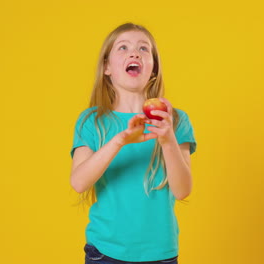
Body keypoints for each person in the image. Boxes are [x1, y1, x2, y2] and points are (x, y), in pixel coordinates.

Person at [70, 23, 197, 264]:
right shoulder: (91, 121)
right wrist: (120, 140)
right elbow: (78, 182)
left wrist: (168, 139)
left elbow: (183, 190)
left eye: (143, 48)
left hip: (161, 254)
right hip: (105, 252)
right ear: (107, 67)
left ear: (153, 68)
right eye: (123, 47)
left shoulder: (175, 120)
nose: (134, 53)